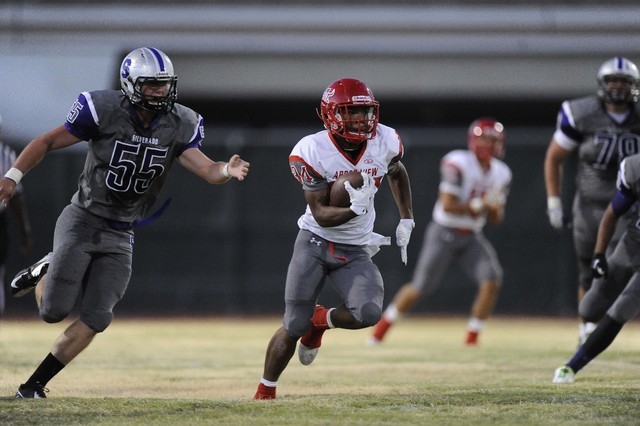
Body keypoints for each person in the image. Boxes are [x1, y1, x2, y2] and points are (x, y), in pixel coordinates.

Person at [0, 47, 250, 398]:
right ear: (131, 83)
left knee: (98, 317)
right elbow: (46, 141)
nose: (160, 91)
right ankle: (47, 266)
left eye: (164, 84)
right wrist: (13, 175)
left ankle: (34, 385)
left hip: (121, 231)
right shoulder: (102, 109)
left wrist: (226, 169)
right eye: (151, 84)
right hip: (83, 220)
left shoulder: (180, 122)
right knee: (53, 312)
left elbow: (208, 170)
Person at [253, 78, 414, 400]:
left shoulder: (385, 140)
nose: (361, 119)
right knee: (293, 324)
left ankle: (320, 322)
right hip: (315, 240)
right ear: (331, 115)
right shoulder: (311, 150)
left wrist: (407, 217)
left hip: (354, 248)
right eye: (351, 112)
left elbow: (397, 171)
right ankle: (265, 390)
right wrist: (356, 209)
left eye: (365, 111)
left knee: (367, 313)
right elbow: (321, 212)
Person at [369, 118, 512, 347]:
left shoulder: (502, 173)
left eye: (492, 140)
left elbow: (495, 220)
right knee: (421, 286)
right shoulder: (458, 162)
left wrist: (494, 208)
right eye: (484, 138)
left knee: (492, 279)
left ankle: (472, 339)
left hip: (472, 234)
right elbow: (447, 205)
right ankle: (380, 332)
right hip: (445, 230)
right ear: (474, 140)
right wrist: (481, 204)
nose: (488, 144)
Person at [544, 56, 640, 346]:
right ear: (602, 84)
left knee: (616, 267)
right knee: (589, 268)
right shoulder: (582, 113)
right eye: (613, 81)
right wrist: (554, 202)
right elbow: (555, 157)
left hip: (628, 205)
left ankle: (605, 322)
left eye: (624, 82)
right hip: (589, 204)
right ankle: (587, 324)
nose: (618, 88)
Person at [553, 152, 640, 383]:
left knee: (621, 310)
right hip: (632, 244)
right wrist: (599, 254)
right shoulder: (635, 169)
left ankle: (570, 367)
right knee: (589, 308)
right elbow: (612, 213)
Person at [0, 115, 33, 322]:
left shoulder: (4, 154)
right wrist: (25, 230)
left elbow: (15, 196)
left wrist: (25, 230)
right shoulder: (4, 154)